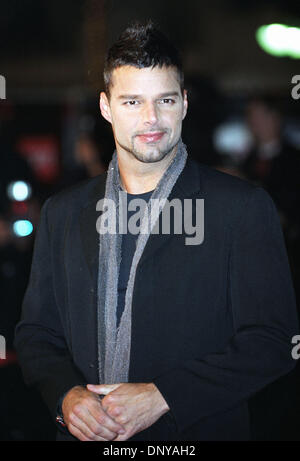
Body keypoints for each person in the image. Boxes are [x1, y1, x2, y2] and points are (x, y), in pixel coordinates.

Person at [14, 21, 299, 442]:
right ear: (106, 107)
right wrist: (67, 397)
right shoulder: (64, 212)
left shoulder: (239, 208)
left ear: (183, 103)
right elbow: (37, 332)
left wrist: (164, 395)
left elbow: (274, 340)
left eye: (164, 100)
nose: (151, 119)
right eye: (132, 101)